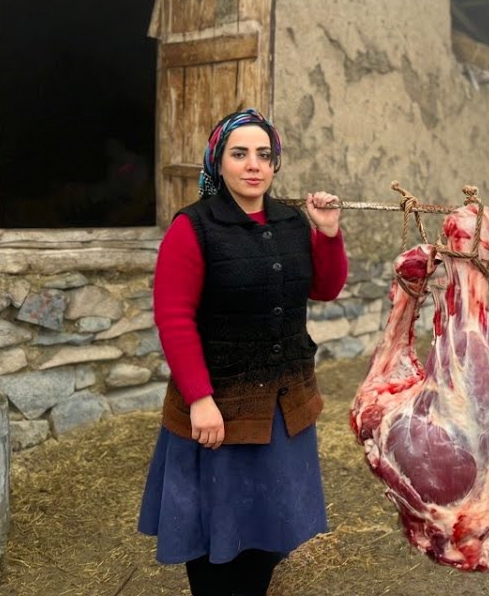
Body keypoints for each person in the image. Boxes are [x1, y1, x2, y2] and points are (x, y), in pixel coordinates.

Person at [138, 109, 348, 596]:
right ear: (218, 161)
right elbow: (174, 318)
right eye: (240, 154)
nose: (254, 165)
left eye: (264, 155)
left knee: (267, 538)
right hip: (220, 410)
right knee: (217, 540)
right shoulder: (194, 227)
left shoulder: (292, 222)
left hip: (283, 408)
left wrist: (328, 233)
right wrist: (200, 399)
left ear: (275, 164)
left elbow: (325, 288)